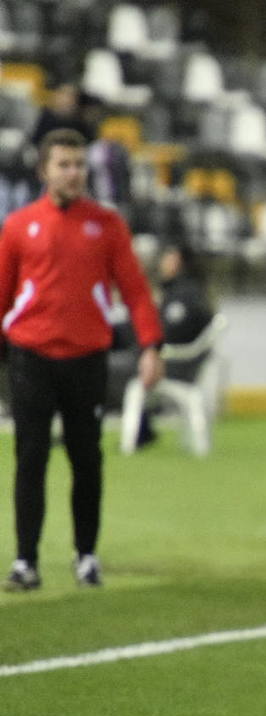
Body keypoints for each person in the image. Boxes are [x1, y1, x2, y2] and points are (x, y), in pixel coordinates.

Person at [0, 128, 164, 590]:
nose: (74, 174)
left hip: (86, 359)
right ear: (44, 170)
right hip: (31, 356)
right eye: (64, 165)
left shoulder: (107, 226)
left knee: (86, 459)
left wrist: (151, 345)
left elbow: (135, 290)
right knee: (29, 459)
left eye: (79, 165)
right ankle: (25, 561)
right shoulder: (18, 226)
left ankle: (86, 556)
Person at [134, 243, 215, 448]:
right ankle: (141, 427)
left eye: (166, 256)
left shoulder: (184, 295)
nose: (162, 262)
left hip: (177, 364)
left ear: (177, 260)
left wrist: (151, 349)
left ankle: (138, 427)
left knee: (119, 366)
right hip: (181, 361)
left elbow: (172, 332)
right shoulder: (190, 290)